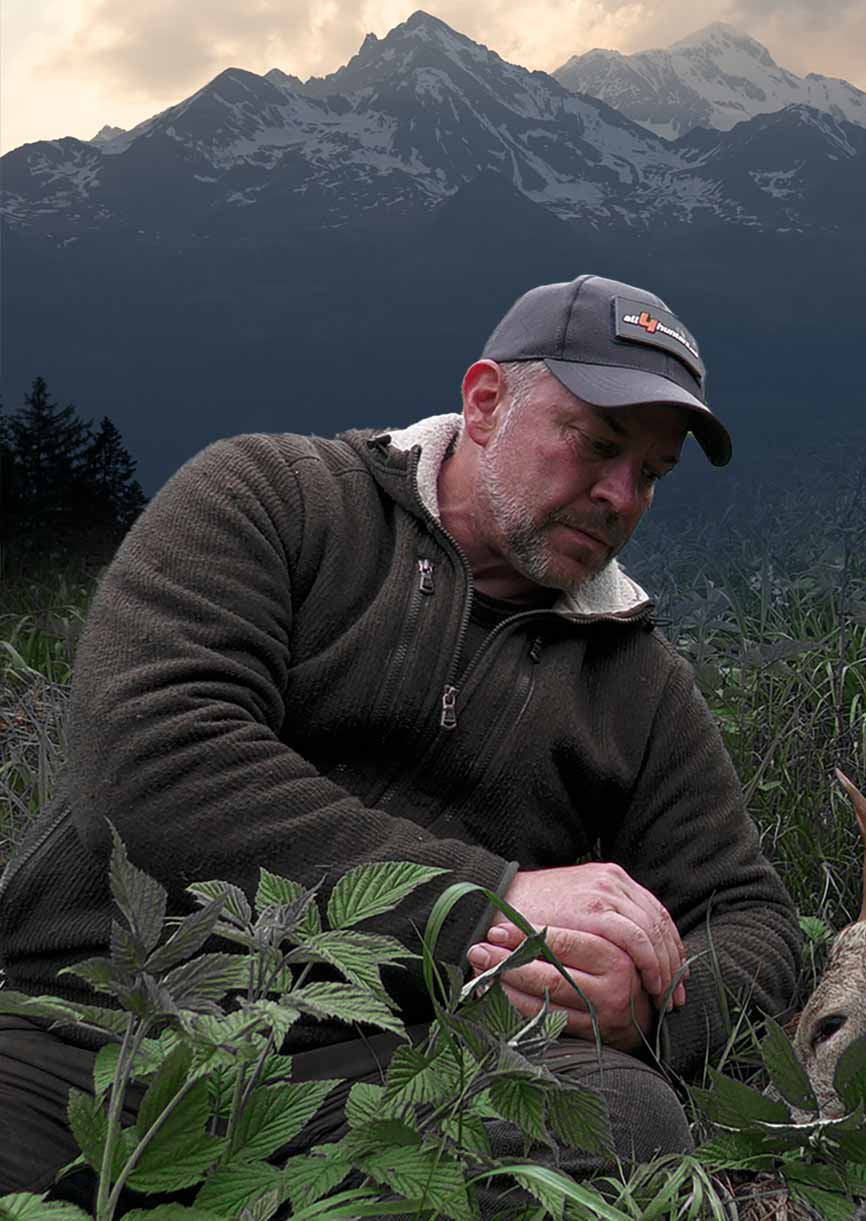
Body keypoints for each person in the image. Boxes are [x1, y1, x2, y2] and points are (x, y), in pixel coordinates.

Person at [0, 274, 804, 1204]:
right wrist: (487, 900)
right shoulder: (276, 500)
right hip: (93, 1023)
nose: (619, 495)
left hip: (370, 1079)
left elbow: (753, 920)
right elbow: (155, 752)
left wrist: (642, 1009)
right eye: (596, 444)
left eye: (651, 473)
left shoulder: (636, 681)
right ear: (487, 401)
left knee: (625, 1116)